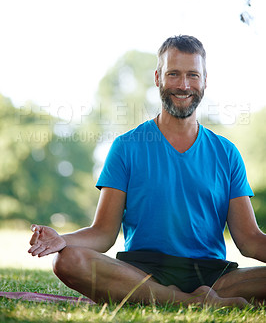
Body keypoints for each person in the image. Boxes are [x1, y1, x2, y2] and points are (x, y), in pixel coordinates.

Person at [28, 35, 266, 307]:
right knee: (69, 260)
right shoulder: (126, 147)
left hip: (214, 276)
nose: (183, 85)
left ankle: (183, 299)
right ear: (157, 78)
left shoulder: (227, 152)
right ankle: (190, 302)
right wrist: (61, 240)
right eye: (173, 74)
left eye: (192, 75)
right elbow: (103, 233)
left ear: (205, 80)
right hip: (142, 273)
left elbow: (250, 240)